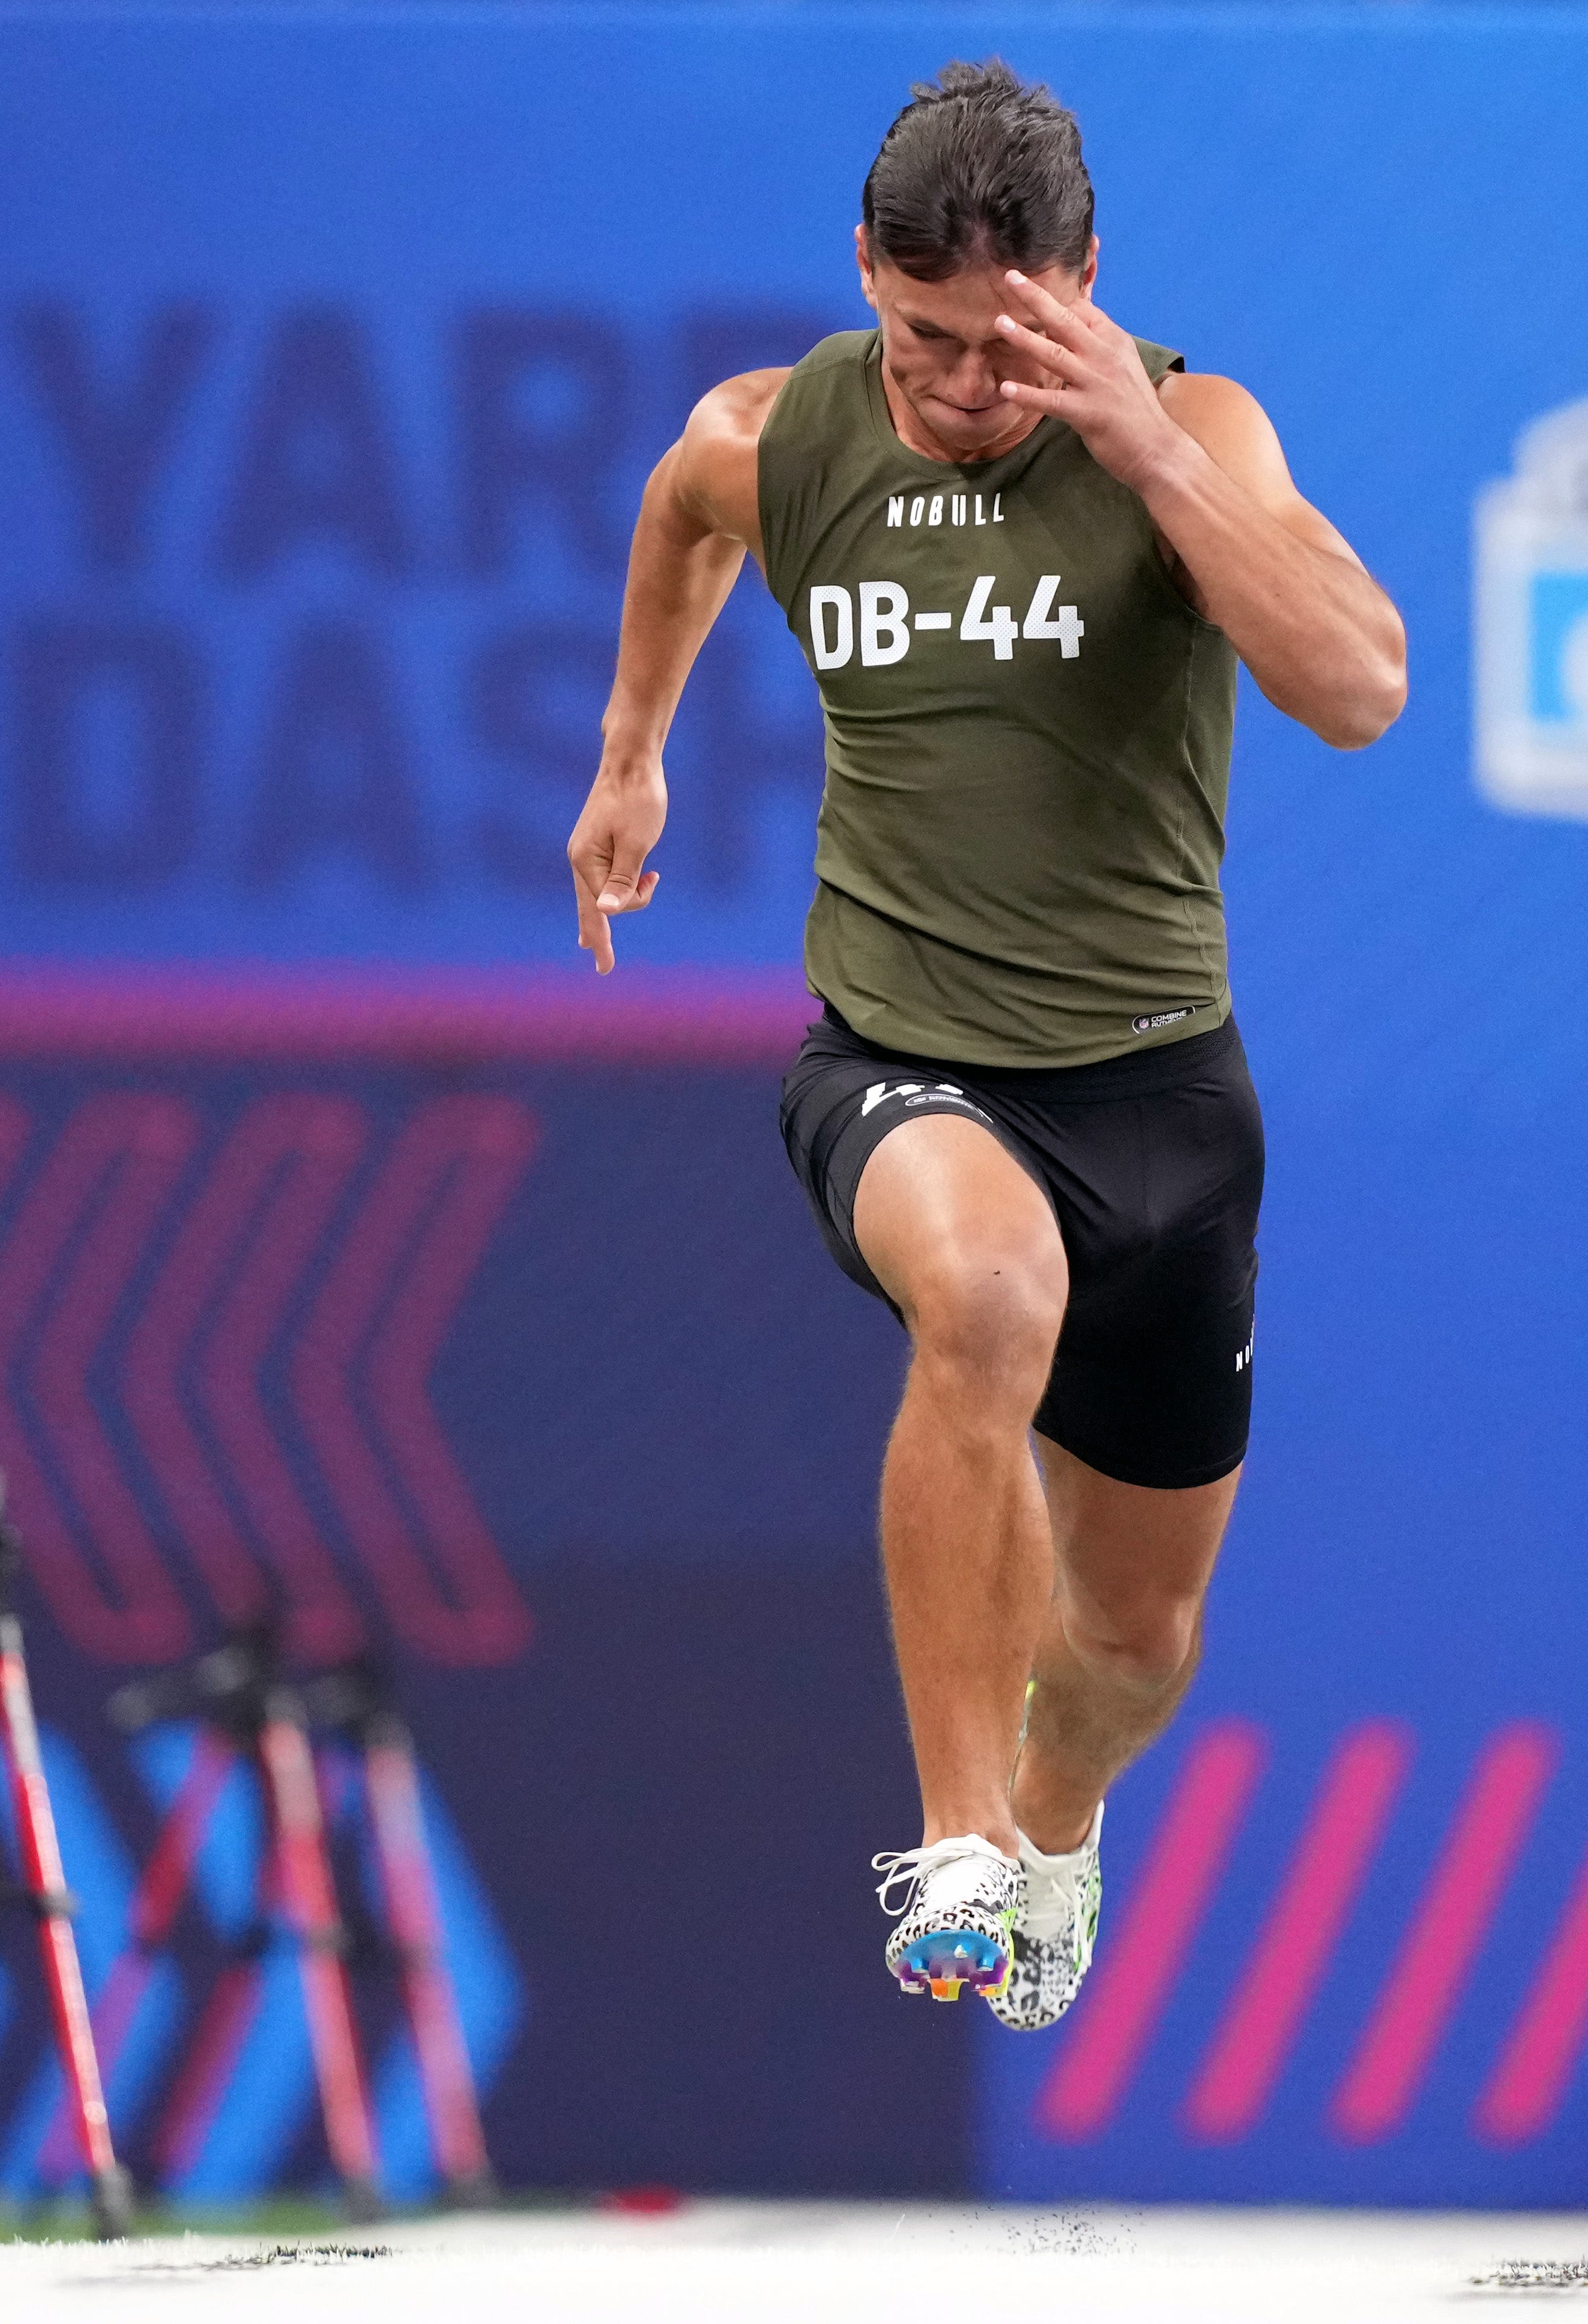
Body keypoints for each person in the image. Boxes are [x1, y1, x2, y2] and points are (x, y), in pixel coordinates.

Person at [566, 59, 1406, 2028]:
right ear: (868, 276)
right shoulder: (782, 437)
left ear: (1088, 287)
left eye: (1009, 349)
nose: (960, 390)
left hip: (1162, 1092)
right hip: (902, 1049)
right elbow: (684, 522)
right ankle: (953, 1847)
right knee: (987, 1289)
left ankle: (1044, 1813)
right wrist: (630, 759)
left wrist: (1153, 459)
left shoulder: (1190, 427)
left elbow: (1360, 688)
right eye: (923, 339)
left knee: (1135, 1637)